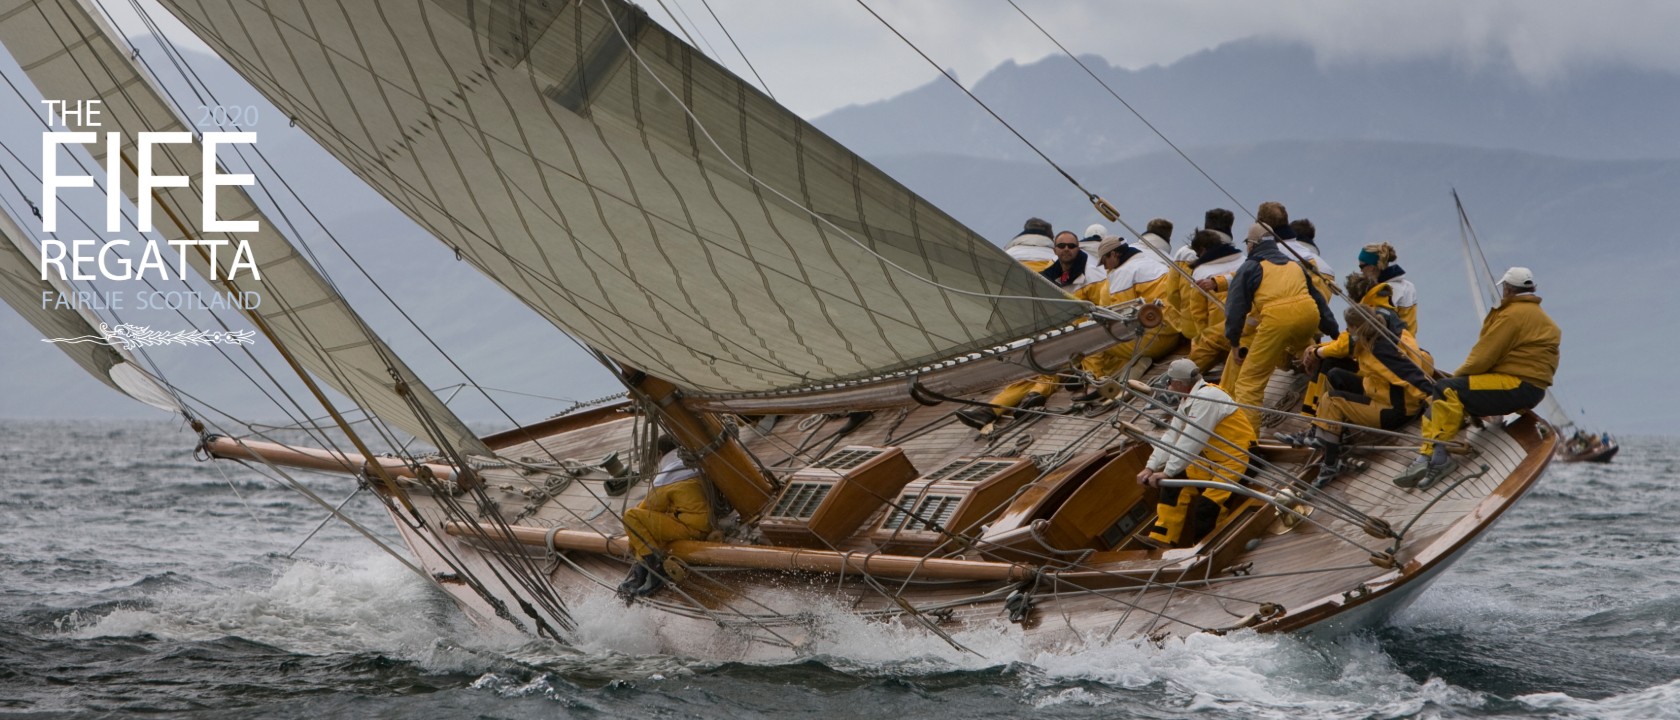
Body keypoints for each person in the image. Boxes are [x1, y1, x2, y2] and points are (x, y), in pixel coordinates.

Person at [1394, 267, 1559, 488]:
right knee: (1452, 391)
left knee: (1445, 390)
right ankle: (1430, 454)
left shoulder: (1511, 315)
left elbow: (1483, 357)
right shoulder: (1543, 319)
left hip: (1517, 385)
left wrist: (1455, 379)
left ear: (1508, 289)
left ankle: (1436, 458)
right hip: (1532, 389)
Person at [1287, 306, 1436, 484]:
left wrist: (1436, 402)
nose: (1347, 332)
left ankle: (1331, 463)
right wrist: (1317, 350)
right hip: (1380, 392)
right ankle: (1325, 432)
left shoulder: (1382, 352)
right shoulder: (1376, 331)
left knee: (1332, 400)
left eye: (1348, 328)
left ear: (1355, 328)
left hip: (1394, 411)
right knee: (1335, 374)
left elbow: (1414, 378)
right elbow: (1345, 344)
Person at [1223, 202, 1338, 425]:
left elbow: (1235, 309)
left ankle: (1247, 442)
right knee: (1309, 355)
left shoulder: (1251, 267)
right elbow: (1318, 301)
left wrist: (1235, 342)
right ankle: (1328, 389)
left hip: (1277, 322)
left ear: (1252, 244)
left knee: (1249, 382)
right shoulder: (1293, 264)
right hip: (1308, 316)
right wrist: (1333, 334)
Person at [1135, 359, 1256, 547]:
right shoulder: (1188, 400)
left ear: (1180, 384)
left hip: (1237, 459)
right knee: (1174, 486)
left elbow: (1191, 439)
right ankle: (1162, 539)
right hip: (1212, 461)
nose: (1168, 385)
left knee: (1208, 507)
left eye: (1170, 381)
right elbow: (1172, 436)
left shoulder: (1206, 399)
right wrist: (1150, 467)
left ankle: (1205, 550)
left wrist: (1168, 471)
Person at [1072, 236, 1184, 394]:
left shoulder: (1123, 273)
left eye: (1104, 261)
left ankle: (1093, 381)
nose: (1104, 267)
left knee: (1092, 340)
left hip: (1152, 340)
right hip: (1172, 334)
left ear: (1114, 255)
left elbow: (1118, 317)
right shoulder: (1152, 263)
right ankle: (1131, 365)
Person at [619, 437, 713, 598]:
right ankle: (641, 573)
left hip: (692, 530)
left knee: (630, 517)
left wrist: (632, 542)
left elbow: (644, 510)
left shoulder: (667, 477)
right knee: (650, 527)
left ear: (660, 454)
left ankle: (654, 568)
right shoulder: (696, 464)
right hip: (708, 522)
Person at [1185, 221, 1246, 374]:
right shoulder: (1244, 261)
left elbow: (1198, 313)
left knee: (1198, 354)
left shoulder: (1201, 272)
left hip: (1222, 332)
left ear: (1202, 250)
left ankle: (1176, 382)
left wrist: (1203, 336)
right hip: (1250, 324)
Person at [1357, 242, 1419, 335]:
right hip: (1408, 343)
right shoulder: (1409, 286)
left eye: (1361, 266)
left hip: (1389, 346)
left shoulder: (1382, 291)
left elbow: (1371, 327)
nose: (1360, 270)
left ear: (1372, 267)